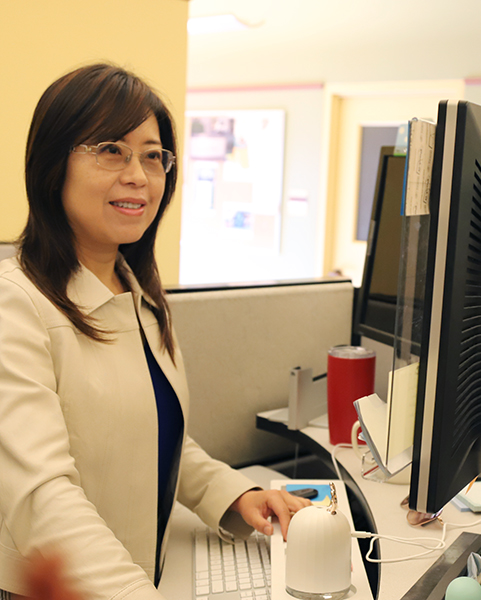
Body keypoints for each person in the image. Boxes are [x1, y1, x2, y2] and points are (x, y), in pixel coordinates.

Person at [0, 63, 311, 600]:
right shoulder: (15, 303)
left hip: (140, 573)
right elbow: (41, 499)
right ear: (53, 166)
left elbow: (150, 434)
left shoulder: (136, 294)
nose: (138, 176)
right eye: (111, 150)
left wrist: (235, 494)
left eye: (152, 155)